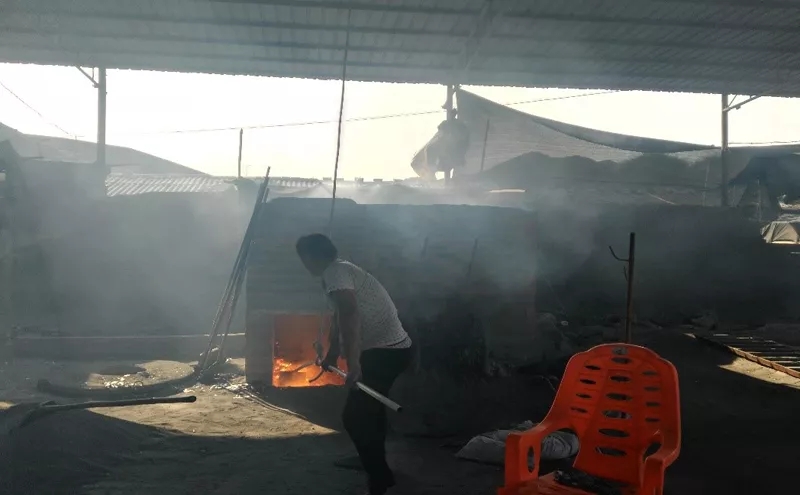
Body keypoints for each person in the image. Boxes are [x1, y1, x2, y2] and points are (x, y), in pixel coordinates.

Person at [295, 233, 412, 495]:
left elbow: (349, 312)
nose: (304, 264)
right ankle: (374, 463)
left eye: (303, 258)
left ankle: (378, 477)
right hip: (392, 350)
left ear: (311, 257)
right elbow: (340, 315)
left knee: (354, 418)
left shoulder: (336, 273)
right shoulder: (341, 270)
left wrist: (354, 363)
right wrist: (333, 353)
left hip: (385, 353)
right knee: (371, 411)